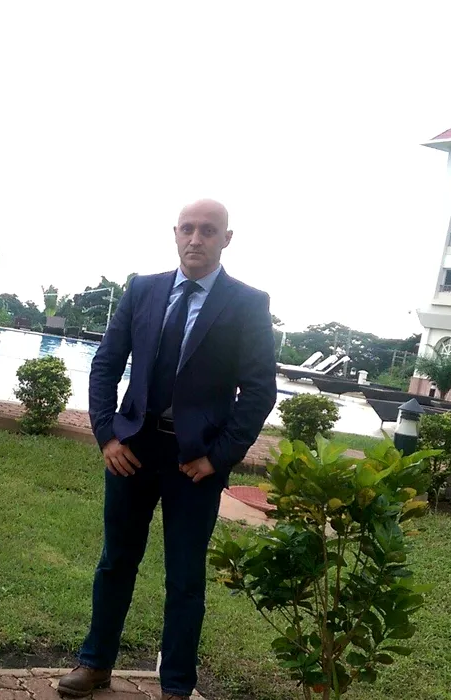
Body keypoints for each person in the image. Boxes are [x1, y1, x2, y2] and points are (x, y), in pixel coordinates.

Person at [58, 199, 277, 700]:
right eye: (187, 229)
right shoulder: (143, 289)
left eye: (208, 230)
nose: (196, 239)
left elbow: (258, 390)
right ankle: (95, 663)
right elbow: (106, 363)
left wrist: (218, 457)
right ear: (174, 233)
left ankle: (176, 686)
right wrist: (107, 435)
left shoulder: (247, 303)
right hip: (133, 450)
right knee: (116, 562)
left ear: (226, 239)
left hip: (195, 462)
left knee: (184, 578)